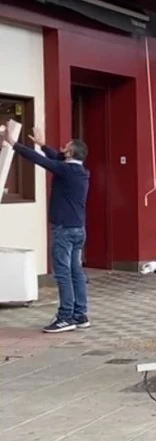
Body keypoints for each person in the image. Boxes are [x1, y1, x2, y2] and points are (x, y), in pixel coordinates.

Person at [3, 122, 90, 333]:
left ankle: (65, 317)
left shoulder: (66, 170)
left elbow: (41, 161)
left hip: (64, 231)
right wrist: (42, 144)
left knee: (63, 274)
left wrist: (13, 143)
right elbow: (56, 159)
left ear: (70, 152)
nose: (62, 147)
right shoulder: (81, 171)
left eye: (65, 146)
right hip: (78, 229)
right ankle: (80, 314)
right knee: (75, 272)